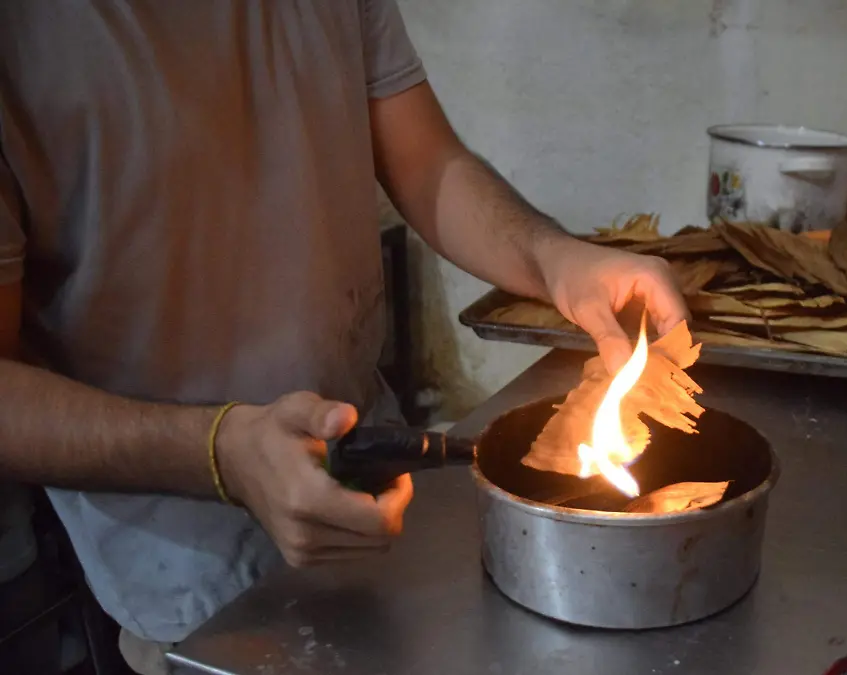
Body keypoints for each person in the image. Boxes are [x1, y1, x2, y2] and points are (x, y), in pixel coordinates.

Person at [0, 3, 687, 674]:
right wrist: (220, 452)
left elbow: (424, 161)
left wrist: (554, 258)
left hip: (375, 492)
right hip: (194, 590)